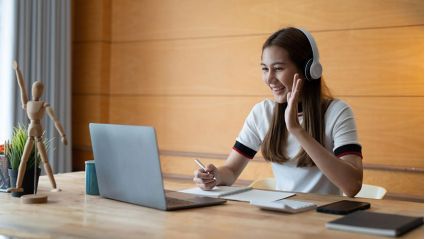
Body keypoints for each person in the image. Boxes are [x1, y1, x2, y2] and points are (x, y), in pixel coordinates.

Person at [193, 27, 363, 197]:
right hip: (282, 214)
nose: (269, 79)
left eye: (278, 68)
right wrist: (214, 177)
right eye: (265, 69)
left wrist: (297, 130)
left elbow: (352, 185)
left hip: (322, 217)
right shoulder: (262, 112)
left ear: (308, 70)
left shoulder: (337, 112)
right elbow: (230, 170)